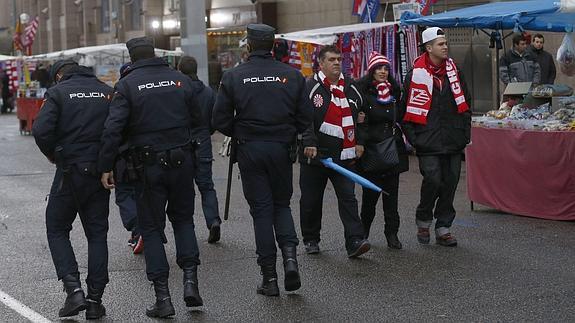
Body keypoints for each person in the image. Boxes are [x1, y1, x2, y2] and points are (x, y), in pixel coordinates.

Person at [98, 37, 203, 318]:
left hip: (147, 167)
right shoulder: (179, 79)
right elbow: (199, 117)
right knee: (183, 221)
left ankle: (163, 298)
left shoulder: (128, 85)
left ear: (132, 58)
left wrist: (106, 165)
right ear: (154, 53)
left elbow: (113, 129)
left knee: (152, 228)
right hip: (182, 160)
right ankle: (191, 283)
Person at [212, 23, 313, 297]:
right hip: (281, 148)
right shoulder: (292, 76)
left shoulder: (233, 76)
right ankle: (291, 260)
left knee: (261, 212)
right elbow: (305, 117)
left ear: (248, 46)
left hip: (250, 148)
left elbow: (219, 119)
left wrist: (241, 130)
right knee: (282, 206)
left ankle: (269, 277)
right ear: (272, 46)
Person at [32, 59, 113, 319]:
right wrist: (108, 163)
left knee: (56, 228)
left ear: (58, 76)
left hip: (69, 170)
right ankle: (95, 300)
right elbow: (118, 130)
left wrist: (54, 154)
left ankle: (73, 289)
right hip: (99, 171)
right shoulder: (106, 90)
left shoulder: (57, 93)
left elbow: (41, 130)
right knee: (97, 234)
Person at [401, 27, 471, 247]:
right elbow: (404, 111)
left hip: (453, 139)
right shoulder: (415, 75)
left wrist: (464, 134)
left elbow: (467, 103)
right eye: (441, 44)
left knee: (450, 183)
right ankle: (423, 220)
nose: (445, 47)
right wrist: (415, 139)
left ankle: (443, 227)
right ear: (429, 48)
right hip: (427, 140)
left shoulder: (455, 71)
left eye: (446, 43)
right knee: (433, 179)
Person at [299, 45, 371, 258]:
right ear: (321, 64)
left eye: (339, 59)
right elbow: (303, 118)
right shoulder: (310, 86)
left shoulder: (351, 87)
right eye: (332, 59)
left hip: (344, 155)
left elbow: (364, 116)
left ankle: (354, 241)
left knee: (348, 198)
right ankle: (311, 239)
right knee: (311, 200)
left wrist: (360, 141)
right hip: (316, 155)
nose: (337, 63)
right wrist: (309, 142)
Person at [356, 51, 409, 249]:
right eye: (379, 68)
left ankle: (392, 234)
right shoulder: (365, 94)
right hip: (372, 152)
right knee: (369, 198)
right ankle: (363, 233)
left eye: (386, 68)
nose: (383, 71)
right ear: (371, 71)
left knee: (391, 197)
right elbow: (361, 123)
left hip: (392, 149)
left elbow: (402, 116)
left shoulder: (395, 94)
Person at [178, 56, 222, 243]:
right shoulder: (208, 92)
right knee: (206, 185)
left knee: (184, 188)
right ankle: (213, 220)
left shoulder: (178, 91)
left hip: (184, 142)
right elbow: (215, 120)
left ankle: (187, 228)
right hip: (203, 141)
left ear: (180, 70)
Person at [112, 62, 144, 254]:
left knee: (124, 195)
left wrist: (106, 161)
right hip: (150, 155)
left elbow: (113, 128)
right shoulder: (148, 88)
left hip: (125, 156)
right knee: (145, 195)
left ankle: (138, 229)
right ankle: (147, 231)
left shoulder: (122, 91)